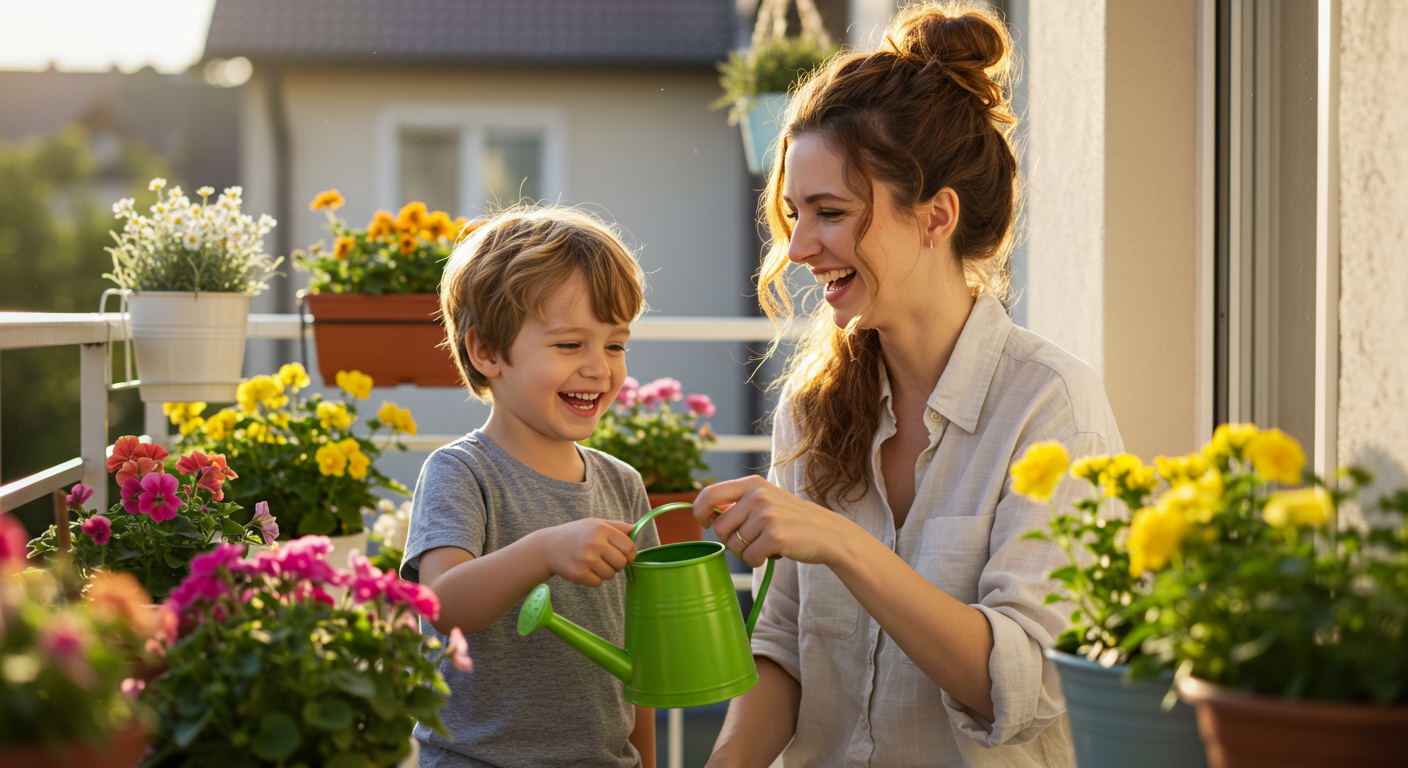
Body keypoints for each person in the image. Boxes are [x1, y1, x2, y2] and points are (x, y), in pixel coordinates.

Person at [695, 3, 1122, 766]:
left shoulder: (1051, 405)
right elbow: (783, 648)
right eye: (793, 214)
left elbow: (1022, 686)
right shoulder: (813, 405)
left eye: (830, 212)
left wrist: (845, 546)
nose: (797, 248)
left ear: (936, 217)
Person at [400, 206, 660, 768]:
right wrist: (545, 550)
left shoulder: (624, 485)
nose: (600, 368)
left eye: (614, 345)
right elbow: (440, 604)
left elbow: (645, 656)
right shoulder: (461, 472)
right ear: (486, 352)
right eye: (571, 345)